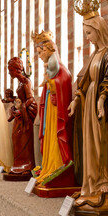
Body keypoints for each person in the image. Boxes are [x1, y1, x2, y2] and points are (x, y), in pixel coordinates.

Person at [68, 14, 108, 214]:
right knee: (91, 144)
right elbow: (85, 81)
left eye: (88, 33)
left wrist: (102, 99)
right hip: (90, 105)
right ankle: (92, 183)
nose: (87, 37)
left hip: (105, 106)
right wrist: (76, 100)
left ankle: (107, 182)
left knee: (103, 140)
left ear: (99, 30)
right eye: (85, 33)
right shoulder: (95, 54)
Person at [31, 31, 78, 196]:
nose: (39, 56)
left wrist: (50, 83)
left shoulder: (61, 69)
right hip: (49, 113)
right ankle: (48, 167)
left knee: (56, 137)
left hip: (56, 114)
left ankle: (58, 165)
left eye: (40, 52)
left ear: (49, 49)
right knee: (49, 137)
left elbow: (64, 81)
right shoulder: (52, 68)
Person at [6, 57, 37, 181]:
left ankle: (27, 166)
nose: (9, 73)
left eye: (11, 70)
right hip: (21, 113)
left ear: (18, 70)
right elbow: (21, 99)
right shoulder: (19, 83)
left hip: (26, 115)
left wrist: (21, 109)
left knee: (24, 140)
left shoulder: (25, 82)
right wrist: (12, 99)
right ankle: (18, 164)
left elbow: (30, 99)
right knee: (16, 138)